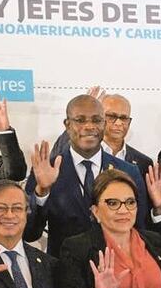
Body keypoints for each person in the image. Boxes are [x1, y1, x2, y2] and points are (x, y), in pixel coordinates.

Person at [24, 95, 151, 256]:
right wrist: (42, 191)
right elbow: (30, 234)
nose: (89, 126)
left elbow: (139, 229)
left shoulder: (128, 171)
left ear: (104, 124)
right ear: (67, 125)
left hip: (117, 268)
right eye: (80, 120)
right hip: (64, 269)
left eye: (96, 120)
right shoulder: (46, 170)